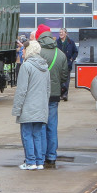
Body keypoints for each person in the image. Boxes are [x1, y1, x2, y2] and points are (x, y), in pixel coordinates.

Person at [31, 24, 69, 168]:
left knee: (40, 125)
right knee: (52, 125)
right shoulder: (60, 54)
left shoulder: (37, 52)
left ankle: (40, 156)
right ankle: (51, 156)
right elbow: (65, 75)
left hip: (39, 94)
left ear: (39, 36)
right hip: (54, 94)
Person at [11, 39, 49, 170]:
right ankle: (39, 162)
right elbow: (47, 89)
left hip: (28, 107)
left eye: (24, 50)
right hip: (41, 107)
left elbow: (21, 90)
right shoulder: (45, 67)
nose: (22, 52)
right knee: (37, 135)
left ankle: (30, 161)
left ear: (29, 50)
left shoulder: (26, 66)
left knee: (27, 135)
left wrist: (17, 109)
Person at [56, 28, 78, 100]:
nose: (60, 34)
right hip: (59, 64)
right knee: (59, 80)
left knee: (66, 80)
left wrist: (72, 59)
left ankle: (65, 94)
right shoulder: (56, 42)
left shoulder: (70, 42)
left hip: (67, 64)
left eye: (62, 32)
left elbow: (75, 52)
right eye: (60, 33)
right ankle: (59, 94)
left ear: (66, 33)